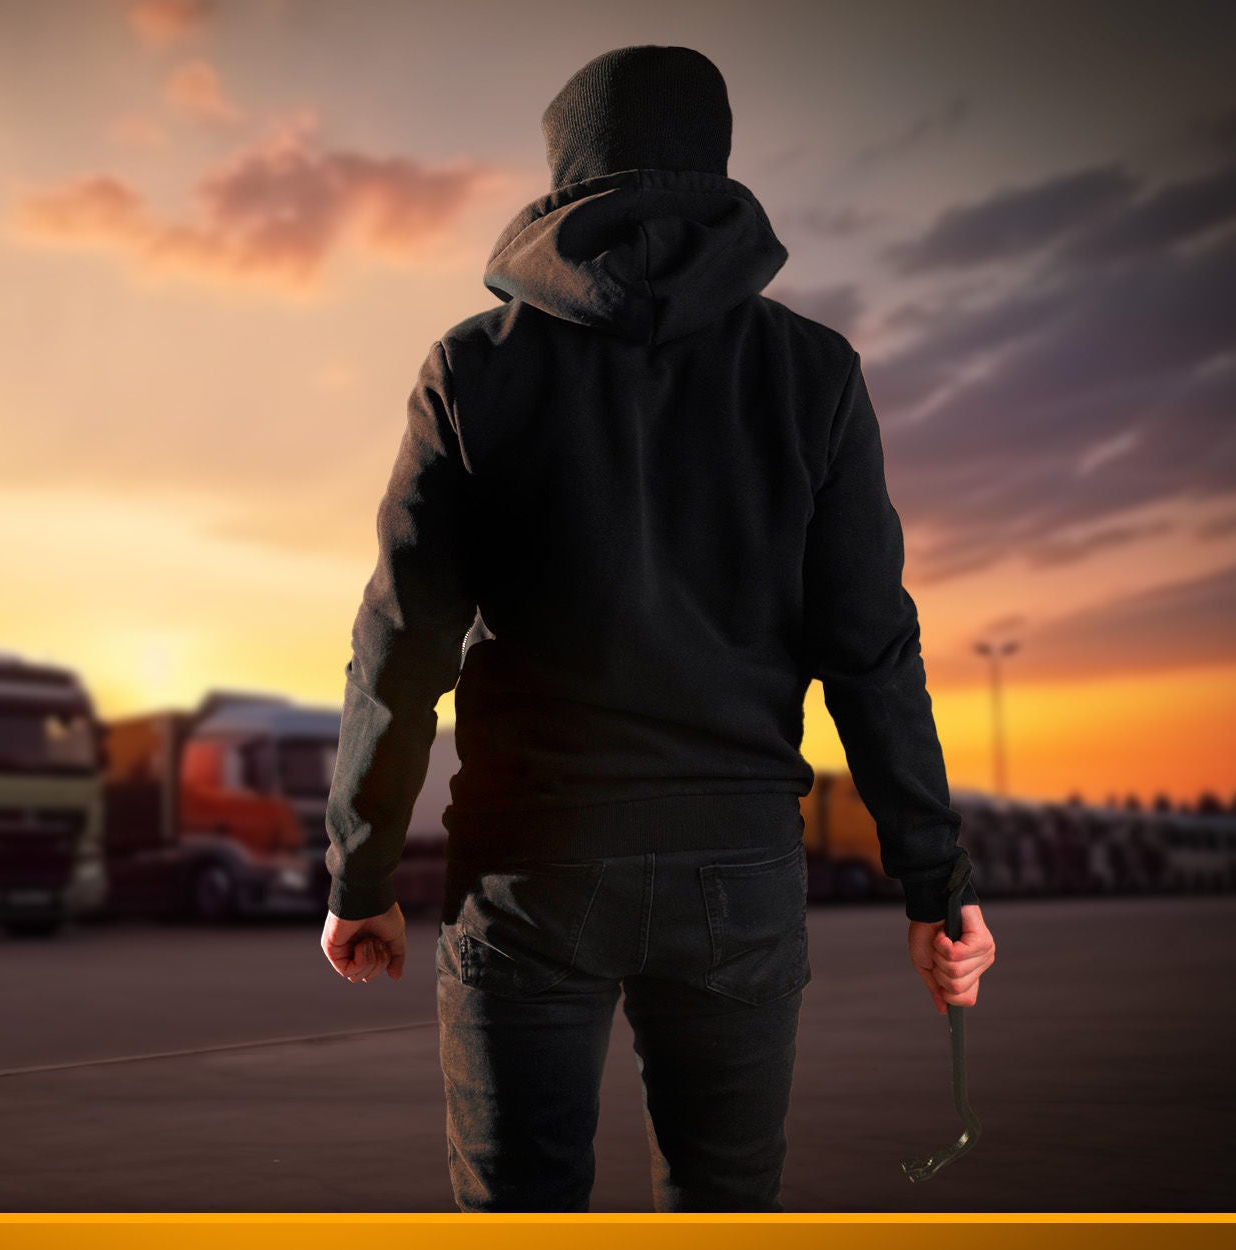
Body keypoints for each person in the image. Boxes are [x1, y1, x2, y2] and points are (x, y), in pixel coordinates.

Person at [316, 45, 998, 1212]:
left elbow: (402, 641)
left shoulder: (471, 372)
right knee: (724, 1207)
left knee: (520, 1208)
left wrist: (360, 869)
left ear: (563, 175)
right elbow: (869, 649)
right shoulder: (812, 374)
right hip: (734, 866)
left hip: (530, 865)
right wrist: (934, 881)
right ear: (715, 165)